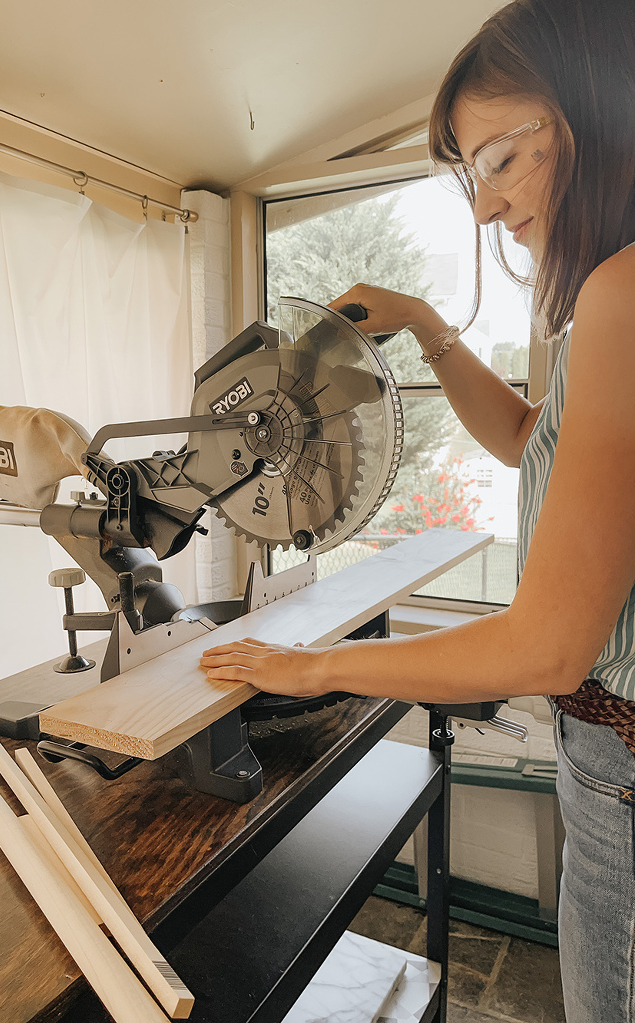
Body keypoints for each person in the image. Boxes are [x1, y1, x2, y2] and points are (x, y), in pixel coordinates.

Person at [200, 1, 635, 1019]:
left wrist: (316, 669)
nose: (484, 208)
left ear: (598, 113)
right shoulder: (608, 304)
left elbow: (547, 649)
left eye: (500, 159)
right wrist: (430, 327)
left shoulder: (621, 295)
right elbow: (540, 445)